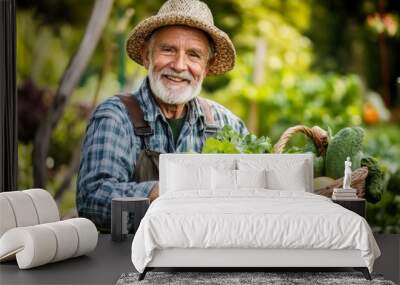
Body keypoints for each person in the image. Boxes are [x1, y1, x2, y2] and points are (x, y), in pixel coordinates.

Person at [76, 0, 249, 232]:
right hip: (132, 259)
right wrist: (159, 193)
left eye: (194, 55)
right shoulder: (115, 117)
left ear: (206, 67)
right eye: (168, 50)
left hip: (208, 255)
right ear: (147, 56)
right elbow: (91, 200)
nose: (179, 65)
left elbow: (253, 194)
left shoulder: (227, 125)